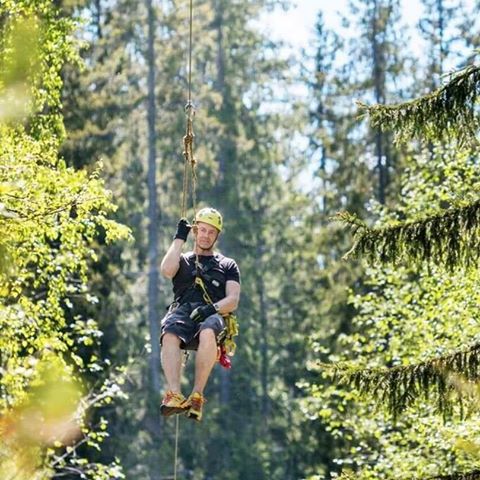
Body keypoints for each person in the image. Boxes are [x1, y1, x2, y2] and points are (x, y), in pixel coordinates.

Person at [159, 207, 241, 421]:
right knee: (169, 333)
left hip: (212, 312)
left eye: (211, 232)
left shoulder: (227, 265)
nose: (206, 235)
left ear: (217, 236)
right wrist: (179, 238)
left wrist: (210, 309)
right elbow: (167, 270)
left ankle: (197, 395)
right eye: (202, 230)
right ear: (195, 231)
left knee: (207, 331)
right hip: (183, 311)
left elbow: (233, 300)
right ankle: (174, 394)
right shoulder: (182, 260)